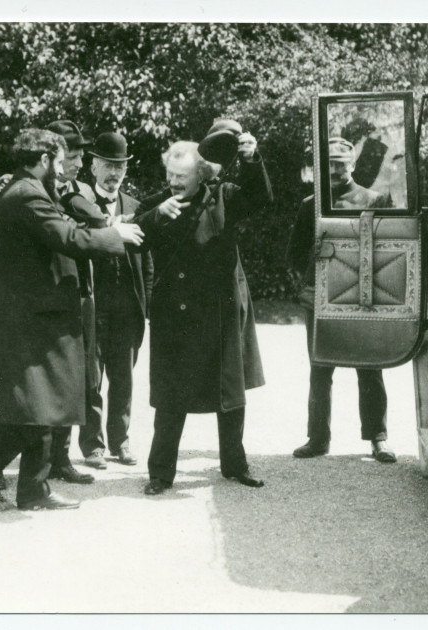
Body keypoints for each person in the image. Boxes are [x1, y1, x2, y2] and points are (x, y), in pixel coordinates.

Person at [0, 128, 144, 510]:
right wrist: (115, 234)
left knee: (40, 407)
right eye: (59, 162)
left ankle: (28, 487)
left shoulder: (30, 191)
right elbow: (69, 238)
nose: (63, 170)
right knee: (42, 407)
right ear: (43, 160)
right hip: (33, 317)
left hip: (34, 314)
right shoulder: (28, 195)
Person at [134, 121, 273, 496]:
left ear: (202, 173)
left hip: (219, 310)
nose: (175, 182)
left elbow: (261, 198)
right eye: (170, 174)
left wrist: (251, 158)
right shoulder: (159, 202)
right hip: (175, 314)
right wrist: (156, 214)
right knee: (170, 399)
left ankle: (234, 464)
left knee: (229, 393)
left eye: (182, 176)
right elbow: (132, 238)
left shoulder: (224, 194)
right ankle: (160, 474)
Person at [286, 137, 396, 463]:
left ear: (352, 164)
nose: (334, 170)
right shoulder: (311, 205)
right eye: (329, 164)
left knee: (370, 367)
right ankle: (317, 439)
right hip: (321, 298)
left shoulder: (375, 200)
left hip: (365, 297)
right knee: (320, 368)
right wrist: (314, 280)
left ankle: (378, 439)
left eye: (340, 163)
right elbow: (295, 254)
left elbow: (390, 250)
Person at [78, 131, 153, 468]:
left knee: (123, 378)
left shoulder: (136, 208)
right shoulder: (78, 205)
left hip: (126, 308)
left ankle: (120, 442)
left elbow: (147, 264)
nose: (114, 173)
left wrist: (146, 306)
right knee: (90, 378)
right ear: (93, 167)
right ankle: (92, 445)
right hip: (91, 306)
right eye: (108, 165)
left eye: (120, 167)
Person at [42, 119, 103, 482]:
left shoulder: (81, 191)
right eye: (74, 157)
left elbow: (97, 226)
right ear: (54, 156)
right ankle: (28, 458)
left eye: (82, 157)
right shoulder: (35, 190)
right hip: (46, 294)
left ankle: (60, 458)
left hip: (80, 293)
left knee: (78, 377)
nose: (79, 164)